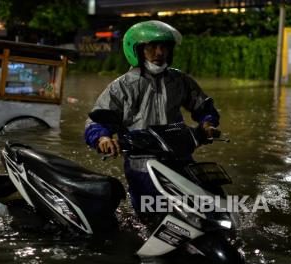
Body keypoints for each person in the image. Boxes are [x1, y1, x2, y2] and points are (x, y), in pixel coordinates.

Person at [84, 21, 221, 212]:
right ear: (137, 50)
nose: (159, 53)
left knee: (208, 202)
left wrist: (208, 124)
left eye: (164, 47)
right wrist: (103, 138)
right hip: (142, 165)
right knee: (150, 212)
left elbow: (204, 107)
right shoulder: (121, 86)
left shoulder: (180, 80)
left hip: (180, 158)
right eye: (151, 47)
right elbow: (97, 120)